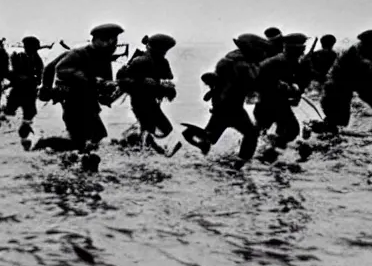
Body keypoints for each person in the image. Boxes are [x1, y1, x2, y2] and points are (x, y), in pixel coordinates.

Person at [183, 34, 272, 168]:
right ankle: (239, 165)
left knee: (211, 137)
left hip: (221, 104)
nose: (263, 53)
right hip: (232, 106)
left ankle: (193, 135)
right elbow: (253, 84)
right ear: (251, 49)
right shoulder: (243, 65)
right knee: (251, 134)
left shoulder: (229, 59)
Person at [53, 23, 124, 171]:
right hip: (73, 102)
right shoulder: (79, 53)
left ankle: (75, 164)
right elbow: (60, 69)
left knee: (98, 135)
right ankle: (70, 167)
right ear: (97, 40)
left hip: (89, 104)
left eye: (114, 41)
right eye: (109, 40)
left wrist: (115, 87)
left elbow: (104, 92)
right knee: (79, 139)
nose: (112, 45)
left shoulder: (104, 58)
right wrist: (90, 79)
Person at [253, 33, 312, 152]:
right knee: (291, 131)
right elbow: (269, 83)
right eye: (302, 48)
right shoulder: (280, 62)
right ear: (294, 49)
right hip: (272, 103)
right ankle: (270, 151)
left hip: (268, 103)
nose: (303, 51)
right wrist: (291, 90)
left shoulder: (287, 60)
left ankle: (263, 151)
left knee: (262, 131)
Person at [117, 34, 177, 146]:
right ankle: (137, 144)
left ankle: (132, 140)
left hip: (152, 101)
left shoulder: (162, 62)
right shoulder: (140, 61)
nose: (164, 53)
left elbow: (168, 78)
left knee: (165, 129)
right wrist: (142, 82)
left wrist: (167, 87)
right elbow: (122, 81)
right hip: (139, 100)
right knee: (150, 127)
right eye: (162, 50)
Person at [320, 30, 372, 131]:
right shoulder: (358, 52)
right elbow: (364, 75)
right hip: (338, 87)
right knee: (338, 121)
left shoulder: (362, 50)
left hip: (347, 84)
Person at [5, 36, 44, 139]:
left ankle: (24, 135)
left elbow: (38, 78)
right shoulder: (18, 57)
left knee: (29, 113)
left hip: (29, 92)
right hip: (18, 90)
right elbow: (11, 73)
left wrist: (30, 79)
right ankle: (6, 133)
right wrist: (15, 77)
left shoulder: (37, 60)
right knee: (10, 111)